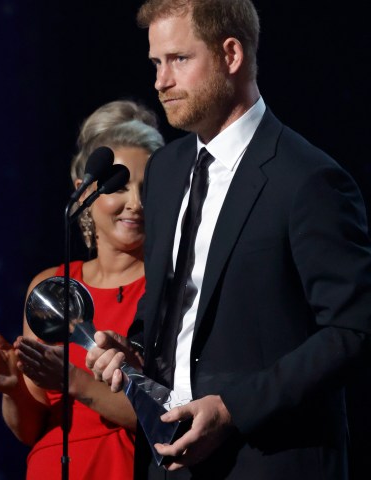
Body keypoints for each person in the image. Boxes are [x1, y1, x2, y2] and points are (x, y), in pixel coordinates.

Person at [86, 1, 371, 479]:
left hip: (268, 460)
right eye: (156, 63)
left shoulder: (307, 179)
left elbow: (354, 329)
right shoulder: (166, 169)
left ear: (231, 54)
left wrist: (233, 408)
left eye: (178, 59)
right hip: (168, 459)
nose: (161, 81)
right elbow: (170, 314)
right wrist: (133, 351)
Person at [0, 99, 164, 479]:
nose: (136, 203)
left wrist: (73, 379)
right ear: (83, 190)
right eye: (120, 185)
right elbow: (31, 429)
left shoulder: (170, 285)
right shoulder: (50, 286)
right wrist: (14, 389)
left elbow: (166, 417)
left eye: (148, 188)